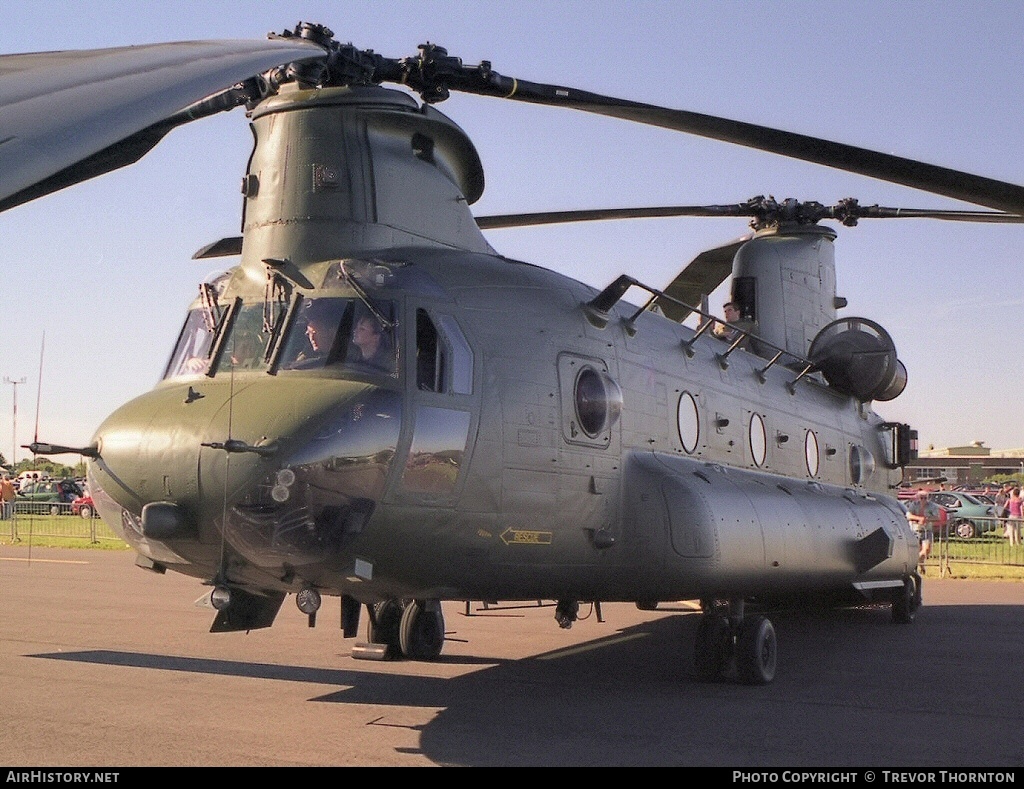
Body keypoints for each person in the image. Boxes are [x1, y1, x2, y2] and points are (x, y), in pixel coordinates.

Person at [905, 490, 940, 574]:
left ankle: (915, 563)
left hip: (926, 530)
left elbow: (937, 517)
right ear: (918, 498)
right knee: (915, 551)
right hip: (914, 531)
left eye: (925, 498)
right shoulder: (913, 505)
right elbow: (908, 516)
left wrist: (926, 519)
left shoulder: (932, 506)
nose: (923, 500)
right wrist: (919, 518)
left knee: (926, 550)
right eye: (921, 498)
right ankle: (920, 568)